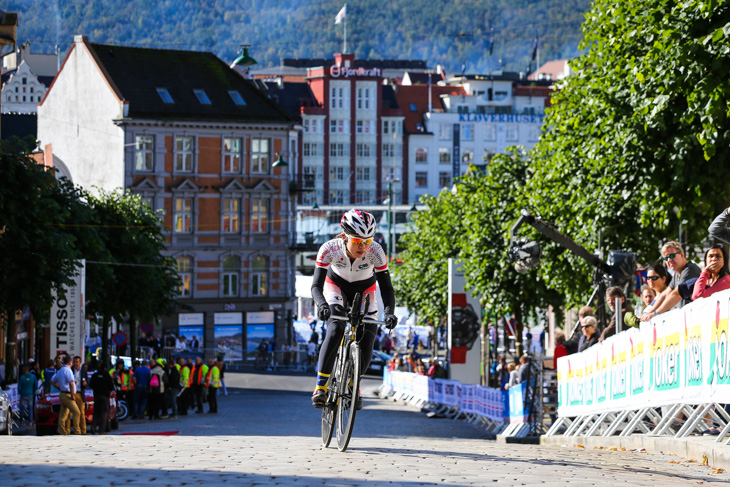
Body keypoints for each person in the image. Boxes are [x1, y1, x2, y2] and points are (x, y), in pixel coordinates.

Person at [310, 209, 398, 409]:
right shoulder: (329, 249)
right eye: (358, 241)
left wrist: (390, 312)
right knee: (336, 328)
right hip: (335, 286)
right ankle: (320, 387)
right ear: (344, 236)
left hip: (366, 289)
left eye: (367, 241)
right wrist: (323, 305)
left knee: (368, 336)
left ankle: (354, 384)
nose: (363, 247)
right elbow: (316, 286)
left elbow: (386, 287)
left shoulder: (376, 251)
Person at [640, 241, 701, 321]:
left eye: (672, 256)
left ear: (682, 254)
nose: (669, 260)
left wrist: (655, 313)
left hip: (695, 320)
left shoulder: (690, 270)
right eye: (666, 258)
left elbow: (676, 294)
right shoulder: (677, 273)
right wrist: (649, 313)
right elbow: (664, 294)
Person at [51, 355, 80, 435]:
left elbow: (52, 381)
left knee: (63, 415)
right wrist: (72, 395)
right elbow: (70, 383)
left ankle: (62, 432)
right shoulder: (68, 371)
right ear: (70, 363)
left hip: (62, 394)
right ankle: (77, 431)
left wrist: (59, 387)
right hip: (68, 395)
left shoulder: (60, 371)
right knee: (77, 412)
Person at [89, 363, 115, 434]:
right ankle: (101, 431)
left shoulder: (95, 375)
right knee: (103, 414)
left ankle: (93, 428)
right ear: (106, 369)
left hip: (96, 396)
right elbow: (111, 387)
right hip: (104, 397)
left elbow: (90, 384)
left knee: (96, 413)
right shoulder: (107, 376)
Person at [64, 355, 87, 435]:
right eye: (74, 362)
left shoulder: (83, 371)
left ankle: (83, 431)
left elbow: (86, 382)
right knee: (69, 413)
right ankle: (67, 431)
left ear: (80, 363)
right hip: (71, 393)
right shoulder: (70, 370)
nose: (75, 363)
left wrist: (85, 383)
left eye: (77, 362)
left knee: (81, 413)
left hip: (80, 394)